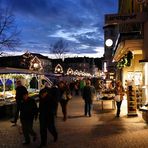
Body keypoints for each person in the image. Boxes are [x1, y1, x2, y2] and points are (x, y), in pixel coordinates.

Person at [38, 83, 58, 147]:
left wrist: (53, 112)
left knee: (51, 128)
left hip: (49, 116)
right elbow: (40, 107)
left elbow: (54, 106)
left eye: (42, 95)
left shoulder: (51, 99)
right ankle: (43, 143)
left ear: (45, 93)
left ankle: (55, 135)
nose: (41, 96)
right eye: (41, 95)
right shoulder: (41, 98)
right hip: (42, 116)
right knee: (42, 130)